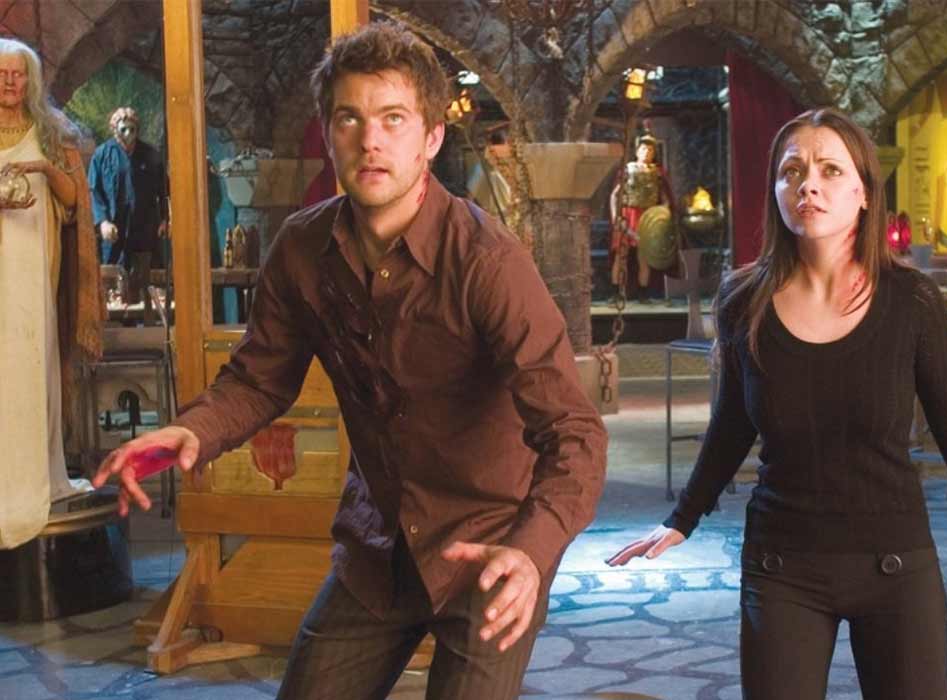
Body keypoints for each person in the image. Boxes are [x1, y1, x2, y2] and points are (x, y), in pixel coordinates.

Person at [92, 21, 606, 700]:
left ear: (431, 138)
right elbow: (258, 380)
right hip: (378, 544)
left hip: (488, 547)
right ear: (328, 134)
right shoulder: (301, 249)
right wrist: (190, 431)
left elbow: (575, 434)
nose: (370, 141)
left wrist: (533, 552)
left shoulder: (488, 263)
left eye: (394, 119)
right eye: (349, 119)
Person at [608, 108, 947, 700]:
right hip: (782, 565)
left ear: (864, 192)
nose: (808, 185)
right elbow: (731, 423)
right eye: (792, 171)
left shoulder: (910, 300)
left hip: (895, 561)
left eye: (830, 170)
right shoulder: (743, 300)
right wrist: (682, 518)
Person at [0, 38, 103, 549]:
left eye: (18, 74)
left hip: (34, 271)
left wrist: (43, 169)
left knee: (30, 366)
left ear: (31, 80)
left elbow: (73, 200)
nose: (9, 82)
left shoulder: (52, 130)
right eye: (2, 74)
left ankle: (36, 475)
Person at [87, 106, 168, 311]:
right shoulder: (102, 155)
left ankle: (151, 321)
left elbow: (164, 191)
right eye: (123, 129)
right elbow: (94, 191)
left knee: (149, 283)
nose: (128, 134)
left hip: (145, 231)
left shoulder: (150, 155)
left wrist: (165, 219)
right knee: (113, 287)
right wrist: (102, 222)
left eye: (132, 129)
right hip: (114, 233)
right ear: (115, 129)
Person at [609, 133, 673, 302]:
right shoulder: (627, 169)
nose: (647, 152)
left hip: (647, 217)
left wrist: (662, 215)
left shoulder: (657, 173)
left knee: (644, 257)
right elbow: (615, 195)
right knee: (621, 255)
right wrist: (616, 217)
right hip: (628, 215)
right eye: (644, 148)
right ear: (637, 151)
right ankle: (616, 292)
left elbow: (665, 199)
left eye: (650, 150)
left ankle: (643, 293)